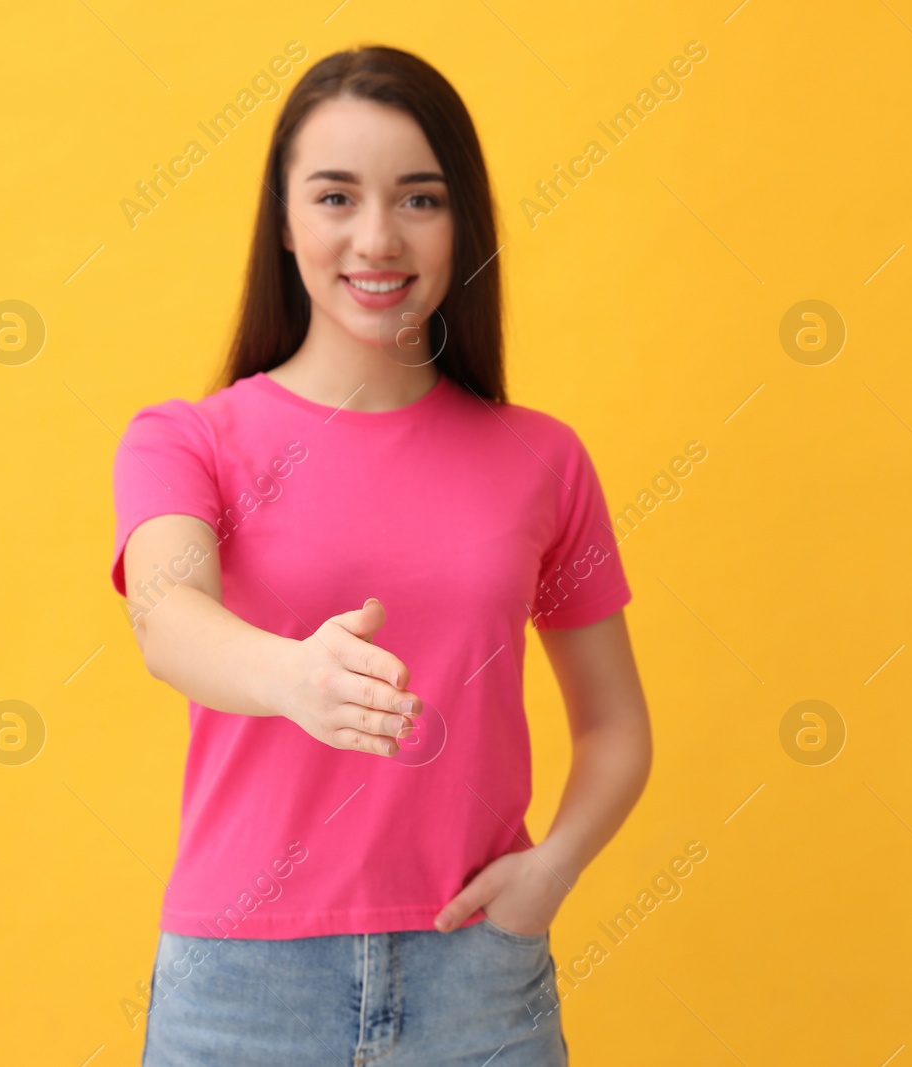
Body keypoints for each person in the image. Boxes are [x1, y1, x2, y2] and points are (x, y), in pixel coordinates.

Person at [108, 45, 651, 1066]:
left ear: (461, 223)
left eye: (418, 198)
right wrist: (292, 674)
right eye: (334, 196)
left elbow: (617, 724)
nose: (375, 237)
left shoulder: (541, 458)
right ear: (283, 220)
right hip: (241, 986)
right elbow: (165, 618)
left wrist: (552, 870)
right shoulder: (187, 439)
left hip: (478, 978)